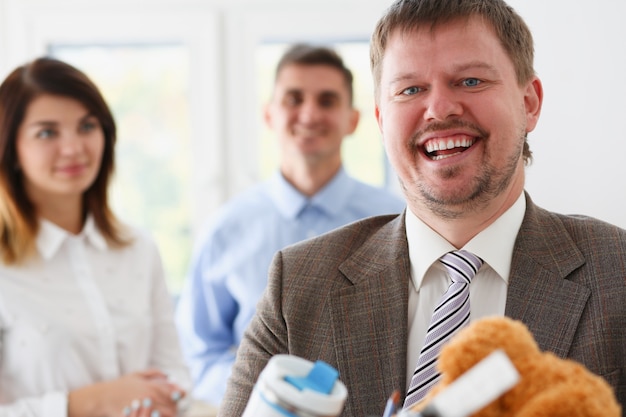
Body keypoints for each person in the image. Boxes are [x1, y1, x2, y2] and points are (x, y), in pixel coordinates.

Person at [218, 1, 626, 416]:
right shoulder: (298, 286)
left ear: (530, 103)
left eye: (470, 80)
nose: (440, 109)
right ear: (381, 120)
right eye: (410, 89)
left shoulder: (618, 272)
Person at [174, 43, 406, 406]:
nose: (310, 114)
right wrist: (261, 398)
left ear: (354, 119)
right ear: (269, 114)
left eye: (327, 100)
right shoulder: (225, 229)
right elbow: (201, 351)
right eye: (293, 99)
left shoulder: (399, 219)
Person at [0, 57, 191, 417]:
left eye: (87, 126)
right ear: (11, 149)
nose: (74, 148)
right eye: (47, 132)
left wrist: (164, 401)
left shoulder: (139, 250)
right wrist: (86, 403)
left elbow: (175, 372)